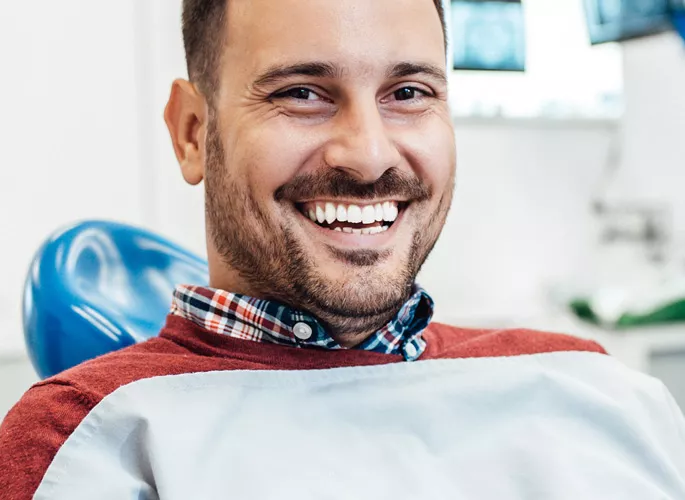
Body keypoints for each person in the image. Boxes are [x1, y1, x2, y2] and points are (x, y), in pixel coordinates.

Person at [1, 0, 684, 498]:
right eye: (302, 94)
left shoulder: (594, 388)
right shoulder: (94, 439)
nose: (368, 155)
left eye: (408, 93)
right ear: (190, 133)